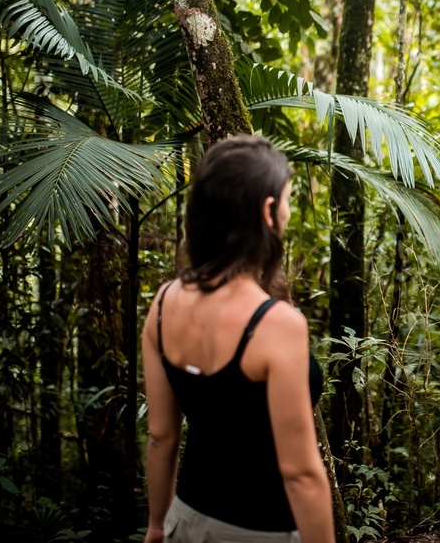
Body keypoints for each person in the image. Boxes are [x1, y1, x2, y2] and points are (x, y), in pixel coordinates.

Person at [142, 135, 334, 543]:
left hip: (186, 521)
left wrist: (157, 525)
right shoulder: (276, 324)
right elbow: (300, 475)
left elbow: (161, 436)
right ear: (268, 211)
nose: (288, 209)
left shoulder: (163, 304)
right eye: (287, 199)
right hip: (262, 532)